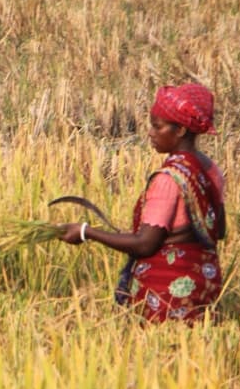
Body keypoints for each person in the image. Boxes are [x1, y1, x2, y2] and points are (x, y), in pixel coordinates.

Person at [59, 84, 226, 324]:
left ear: (180, 130)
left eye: (158, 126)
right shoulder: (211, 170)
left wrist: (86, 232)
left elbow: (145, 245)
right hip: (205, 289)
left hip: (166, 298)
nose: (150, 133)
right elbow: (218, 230)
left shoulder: (168, 179)